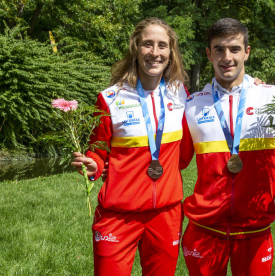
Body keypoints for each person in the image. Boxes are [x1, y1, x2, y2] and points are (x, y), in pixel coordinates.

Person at [179, 18, 275, 276]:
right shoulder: (192, 104)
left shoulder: (274, 97)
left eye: (234, 49)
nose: (227, 57)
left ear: (247, 52)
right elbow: (174, 160)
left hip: (255, 229)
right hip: (204, 229)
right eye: (219, 49)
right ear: (208, 54)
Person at [71, 17, 192, 276]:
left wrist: (250, 83)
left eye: (162, 45)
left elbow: (185, 155)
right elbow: (98, 150)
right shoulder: (110, 98)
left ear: (171, 53)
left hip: (166, 215)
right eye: (148, 44)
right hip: (118, 215)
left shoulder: (181, 94)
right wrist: (93, 163)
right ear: (135, 48)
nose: (155, 52)